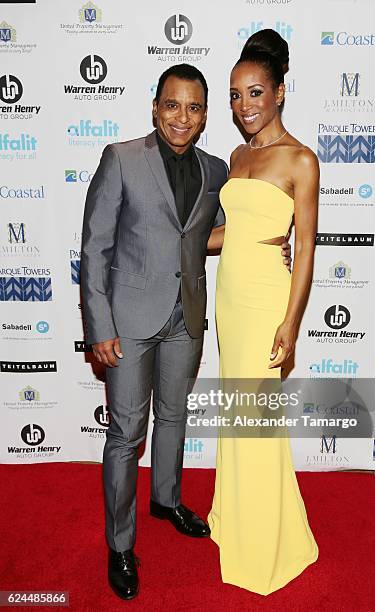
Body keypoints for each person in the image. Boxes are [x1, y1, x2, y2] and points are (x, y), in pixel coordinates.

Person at [81, 62, 293, 600]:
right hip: (128, 321)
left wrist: (273, 242)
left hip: (188, 316)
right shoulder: (122, 159)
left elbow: (233, 226)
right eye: (172, 105)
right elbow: (94, 248)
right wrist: (98, 325)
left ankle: (167, 499)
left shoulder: (217, 168)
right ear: (155, 107)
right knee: (126, 433)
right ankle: (121, 544)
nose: (182, 116)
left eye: (194, 107)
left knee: (173, 414)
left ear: (204, 117)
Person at [207, 36, 319, 595]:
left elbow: (303, 250)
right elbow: (236, 231)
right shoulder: (238, 156)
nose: (243, 105)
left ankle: (268, 541)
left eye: (254, 93)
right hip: (230, 295)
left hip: (267, 299)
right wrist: (183, 239)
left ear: (279, 91)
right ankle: (236, 518)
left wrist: (291, 324)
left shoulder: (301, 159)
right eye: (234, 95)